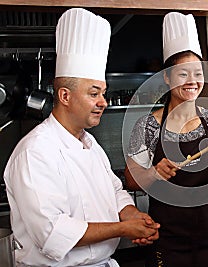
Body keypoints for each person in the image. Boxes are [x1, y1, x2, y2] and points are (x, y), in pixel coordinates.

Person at [3, 8, 159, 267]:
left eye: (103, 93)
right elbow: (53, 233)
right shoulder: (35, 152)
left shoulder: (90, 143)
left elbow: (115, 190)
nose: (103, 102)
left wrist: (132, 215)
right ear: (65, 96)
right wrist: (123, 229)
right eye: (94, 93)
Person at [124, 12, 208, 267]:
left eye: (197, 73)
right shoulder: (147, 126)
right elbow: (131, 179)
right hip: (167, 237)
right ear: (167, 77)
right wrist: (153, 173)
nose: (192, 81)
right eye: (183, 74)